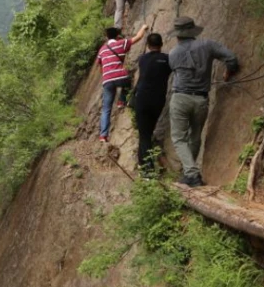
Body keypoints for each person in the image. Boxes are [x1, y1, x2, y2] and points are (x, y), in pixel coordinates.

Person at [167, 16, 238, 187]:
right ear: (192, 31)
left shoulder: (173, 54)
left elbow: (175, 70)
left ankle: (191, 174)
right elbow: (231, 58)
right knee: (195, 135)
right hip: (201, 99)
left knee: (178, 138)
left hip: (180, 98)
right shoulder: (208, 45)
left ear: (177, 35)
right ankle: (189, 172)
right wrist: (228, 73)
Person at [97, 23, 148, 143]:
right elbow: (138, 37)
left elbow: (100, 66)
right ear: (118, 36)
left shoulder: (102, 50)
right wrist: (143, 27)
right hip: (120, 76)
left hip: (107, 80)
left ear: (107, 37)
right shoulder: (121, 43)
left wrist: (106, 75)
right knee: (128, 80)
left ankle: (103, 136)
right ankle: (121, 101)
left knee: (106, 109)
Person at [133, 32, 171, 176]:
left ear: (148, 46)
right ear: (161, 45)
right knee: (147, 133)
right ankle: (142, 163)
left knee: (144, 135)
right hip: (158, 102)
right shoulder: (167, 59)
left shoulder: (142, 59)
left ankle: (148, 171)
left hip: (142, 99)